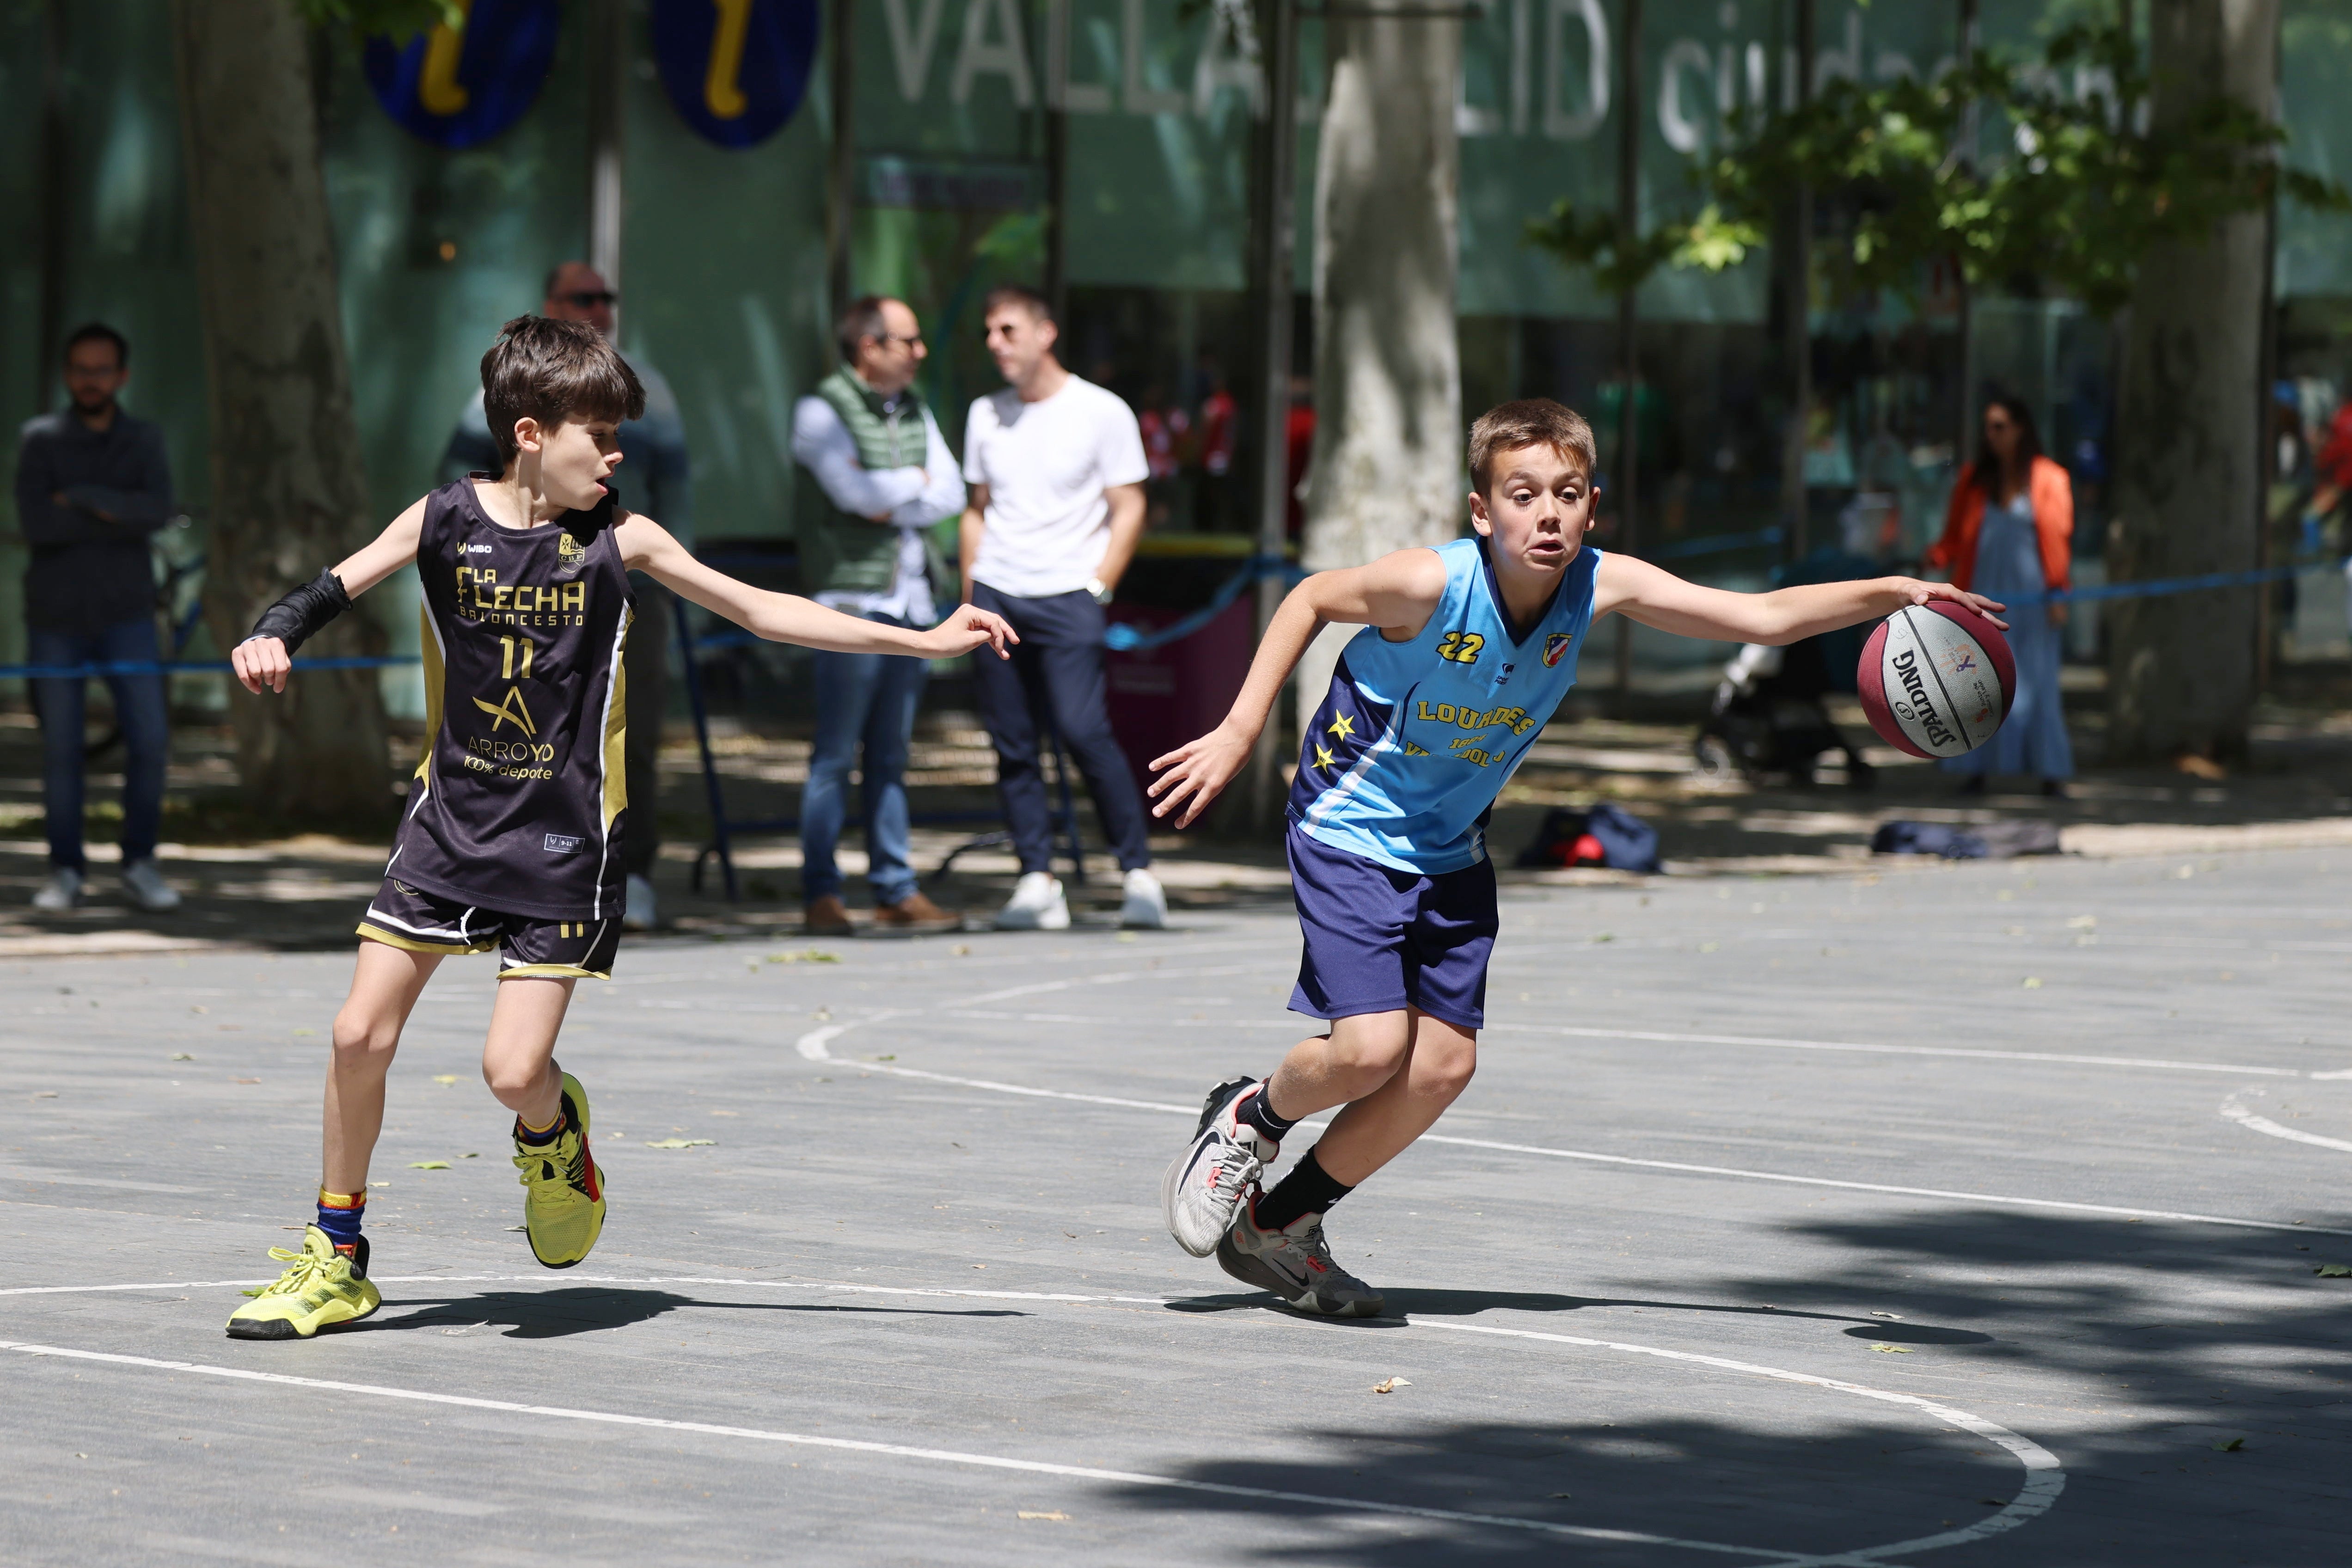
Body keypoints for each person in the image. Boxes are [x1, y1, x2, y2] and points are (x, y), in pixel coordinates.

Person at [221, 317, 1012, 1340]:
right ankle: (338, 1253)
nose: (616, 452)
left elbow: (762, 610)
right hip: (449, 822)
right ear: (529, 433)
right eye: (598, 433)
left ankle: (555, 1138)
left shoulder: (621, 539)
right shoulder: (443, 519)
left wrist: (921, 640)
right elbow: (334, 585)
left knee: (512, 1072)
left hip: (563, 840)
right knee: (355, 1032)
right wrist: (270, 635)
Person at [1146, 399, 2003, 1316]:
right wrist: (1241, 729)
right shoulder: (1431, 585)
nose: (1546, 512)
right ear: (1484, 512)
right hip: (1352, 827)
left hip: (1451, 850)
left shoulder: (1601, 583)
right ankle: (1252, 1118)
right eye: (1523, 495)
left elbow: (1761, 616)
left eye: (1566, 493)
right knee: (1370, 1049)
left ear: (1591, 506)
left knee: (1441, 1068)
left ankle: (1280, 1227)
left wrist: (1897, 593)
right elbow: (1313, 596)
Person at [443, 262, 691, 931]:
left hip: (627, 587)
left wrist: (664, 578)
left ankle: (630, 870)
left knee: (627, 736)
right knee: (521, 734)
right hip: (526, 593)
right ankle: (493, 869)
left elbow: (678, 486)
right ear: (552, 306)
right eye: (583, 298)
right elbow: (461, 489)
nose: (598, 307)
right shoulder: (515, 394)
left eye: (606, 296)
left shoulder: (645, 388)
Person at [959, 285, 1165, 931]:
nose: (996, 343)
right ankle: (1036, 879)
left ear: (1046, 334)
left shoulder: (1101, 411)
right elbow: (977, 508)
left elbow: (1130, 504)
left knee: (1083, 731)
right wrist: (971, 594)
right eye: (990, 331)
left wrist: (1099, 585)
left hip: (1070, 594)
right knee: (1012, 743)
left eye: (1008, 329)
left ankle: (1137, 873)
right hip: (997, 590)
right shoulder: (984, 413)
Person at [790, 296, 966, 935]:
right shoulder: (820, 411)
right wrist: (908, 484)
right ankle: (822, 894)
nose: (920, 353)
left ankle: (895, 888)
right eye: (908, 341)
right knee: (835, 754)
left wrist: (895, 490)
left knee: (891, 754)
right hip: (850, 603)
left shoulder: (916, 410)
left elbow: (950, 492)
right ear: (869, 346)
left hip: (913, 605)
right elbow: (853, 495)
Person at [12, 322, 180, 914]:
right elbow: (39, 526)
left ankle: (139, 862)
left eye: (101, 369)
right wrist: (117, 511)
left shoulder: (144, 438)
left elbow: (159, 510)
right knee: (60, 749)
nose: (91, 380)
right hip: (55, 617)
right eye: (80, 369)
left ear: (122, 376)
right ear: (67, 375)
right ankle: (65, 870)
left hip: (128, 614)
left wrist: (81, 495)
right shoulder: (40, 439)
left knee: (151, 741)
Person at [1925, 395, 2075, 796]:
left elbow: (2058, 541)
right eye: (1988, 428)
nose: (1992, 436)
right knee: (1976, 682)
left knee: (2039, 686)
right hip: (1982, 596)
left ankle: (2050, 772)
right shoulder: (1974, 479)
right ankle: (1976, 768)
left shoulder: (2050, 478)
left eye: (2000, 426)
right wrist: (1928, 564)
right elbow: (1954, 538)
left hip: (2034, 601)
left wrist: (2059, 592)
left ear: (2021, 428)